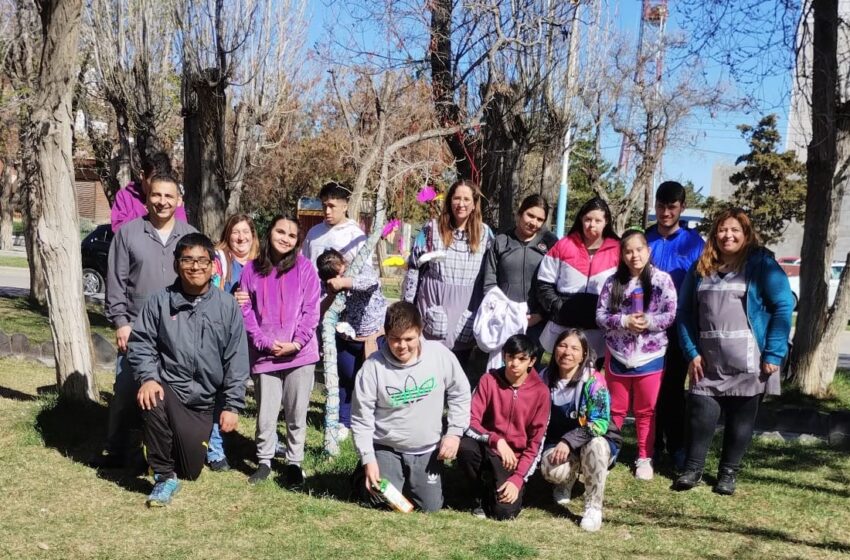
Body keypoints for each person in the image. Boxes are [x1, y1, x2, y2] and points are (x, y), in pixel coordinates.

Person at [673, 208, 793, 495]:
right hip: (707, 360)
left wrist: (774, 353)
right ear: (715, 234)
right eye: (722, 230)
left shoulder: (761, 264)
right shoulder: (701, 267)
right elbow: (684, 312)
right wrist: (691, 352)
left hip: (749, 360)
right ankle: (693, 469)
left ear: (746, 234)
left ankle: (728, 473)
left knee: (740, 422)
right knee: (700, 415)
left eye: (734, 230)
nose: (728, 235)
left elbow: (783, 306)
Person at [128, 233, 249, 507]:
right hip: (169, 390)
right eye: (188, 260)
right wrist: (148, 377)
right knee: (152, 397)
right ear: (176, 264)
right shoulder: (159, 302)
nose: (195, 267)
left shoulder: (227, 306)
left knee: (191, 470)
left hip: (203, 403)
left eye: (202, 261)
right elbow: (141, 343)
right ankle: (163, 475)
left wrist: (232, 405)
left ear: (212, 266)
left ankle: (154, 448)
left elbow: (237, 360)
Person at [93, 172, 198, 469]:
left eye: (169, 196)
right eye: (156, 195)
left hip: (178, 331)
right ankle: (116, 449)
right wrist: (121, 322)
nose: (162, 201)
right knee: (126, 390)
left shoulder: (189, 236)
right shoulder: (128, 233)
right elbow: (116, 282)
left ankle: (165, 452)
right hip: (137, 329)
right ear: (147, 197)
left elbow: (200, 283)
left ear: (178, 200)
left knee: (173, 393)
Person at [351, 302, 471, 513]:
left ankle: (412, 480)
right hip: (387, 445)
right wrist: (368, 459)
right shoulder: (372, 368)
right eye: (395, 339)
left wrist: (454, 433)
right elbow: (361, 418)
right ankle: (364, 474)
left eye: (409, 339)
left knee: (430, 508)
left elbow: (460, 393)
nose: (402, 346)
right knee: (383, 503)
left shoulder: (440, 355)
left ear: (419, 332)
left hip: (426, 448)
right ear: (385, 335)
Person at [239, 215, 321, 487]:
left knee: (297, 411)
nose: (285, 238)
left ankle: (294, 463)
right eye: (280, 232)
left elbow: (311, 311)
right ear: (269, 232)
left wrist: (297, 342)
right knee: (266, 411)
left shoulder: (306, 269)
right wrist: (263, 342)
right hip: (266, 354)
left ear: (297, 241)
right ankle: (264, 460)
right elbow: (246, 309)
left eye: (291, 235)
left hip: (300, 354)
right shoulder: (251, 269)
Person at [596, 229, 677, 480]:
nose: (634, 256)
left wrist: (648, 322)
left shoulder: (662, 280)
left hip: (650, 356)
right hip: (618, 353)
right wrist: (623, 321)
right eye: (628, 251)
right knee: (616, 408)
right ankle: (610, 450)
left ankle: (644, 455)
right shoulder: (613, 282)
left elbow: (670, 314)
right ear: (622, 255)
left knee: (646, 410)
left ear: (648, 251)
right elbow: (600, 315)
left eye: (639, 249)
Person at [457, 334, 550, 520]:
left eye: (521, 359)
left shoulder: (541, 392)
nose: (514, 363)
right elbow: (469, 421)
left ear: (532, 361)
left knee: (504, 514)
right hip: (487, 447)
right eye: (510, 357)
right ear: (504, 356)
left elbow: (536, 444)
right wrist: (496, 440)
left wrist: (517, 479)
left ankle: (502, 487)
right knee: (465, 447)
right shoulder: (488, 380)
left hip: (513, 459)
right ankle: (478, 496)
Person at [646, 181, 705, 471]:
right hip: (648, 330)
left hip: (679, 329)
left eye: (671, 207)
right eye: (661, 206)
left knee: (673, 390)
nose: (665, 212)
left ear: (681, 207)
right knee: (651, 391)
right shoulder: (645, 239)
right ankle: (652, 447)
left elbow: (704, 285)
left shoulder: (695, 243)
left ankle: (677, 445)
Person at [539, 329, 622, 532]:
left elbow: (600, 423)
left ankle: (593, 506)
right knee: (551, 469)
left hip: (594, 441)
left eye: (575, 348)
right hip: (557, 442)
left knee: (596, 445)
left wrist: (568, 441)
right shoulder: (543, 378)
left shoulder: (594, 381)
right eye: (562, 345)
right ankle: (566, 480)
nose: (567, 352)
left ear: (584, 355)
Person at [402, 179, 494, 362]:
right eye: (457, 198)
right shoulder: (431, 230)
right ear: (449, 201)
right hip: (432, 309)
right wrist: (407, 307)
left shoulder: (486, 235)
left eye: (467, 199)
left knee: (458, 369)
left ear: (475, 204)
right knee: (428, 366)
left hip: (466, 312)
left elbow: (490, 274)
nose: (461, 204)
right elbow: (414, 267)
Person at [205, 213, 260, 472]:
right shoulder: (220, 259)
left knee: (251, 392)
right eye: (236, 232)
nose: (240, 237)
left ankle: (263, 445)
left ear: (253, 236)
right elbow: (209, 293)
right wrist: (231, 300)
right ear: (228, 234)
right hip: (223, 336)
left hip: (253, 338)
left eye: (245, 233)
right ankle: (215, 449)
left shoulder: (260, 263)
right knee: (219, 390)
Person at [536, 197, 620, 359]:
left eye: (598, 220)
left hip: (599, 335)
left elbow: (624, 288)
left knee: (592, 382)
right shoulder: (563, 245)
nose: (592, 225)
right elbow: (543, 282)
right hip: (562, 330)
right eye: (588, 219)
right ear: (581, 219)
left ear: (607, 222)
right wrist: (558, 307)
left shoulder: (618, 249)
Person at [317, 248, 387, 440]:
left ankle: (375, 422)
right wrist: (332, 291)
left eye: (341, 272)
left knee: (374, 383)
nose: (338, 278)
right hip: (346, 337)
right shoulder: (326, 283)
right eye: (334, 277)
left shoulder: (360, 268)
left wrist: (344, 282)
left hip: (373, 336)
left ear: (344, 264)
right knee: (346, 381)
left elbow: (371, 283)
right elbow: (320, 308)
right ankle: (343, 421)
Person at [482, 194, 558, 353]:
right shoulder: (501, 242)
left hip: (536, 323)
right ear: (519, 213)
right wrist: (501, 313)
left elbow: (556, 283)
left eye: (539, 219)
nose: (533, 222)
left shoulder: (551, 243)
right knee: (505, 370)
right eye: (530, 215)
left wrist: (541, 315)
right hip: (504, 320)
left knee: (531, 373)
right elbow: (489, 283)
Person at [110, 152, 188, 232]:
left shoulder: (171, 198)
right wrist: (142, 211)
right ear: (142, 175)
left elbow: (182, 231)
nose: (158, 187)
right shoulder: (124, 196)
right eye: (153, 181)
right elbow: (117, 230)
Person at [302, 181, 368, 265]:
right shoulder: (313, 233)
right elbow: (304, 266)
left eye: (332, 206)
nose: (327, 211)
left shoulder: (356, 237)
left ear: (345, 207)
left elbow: (367, 274)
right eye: (324, 206)